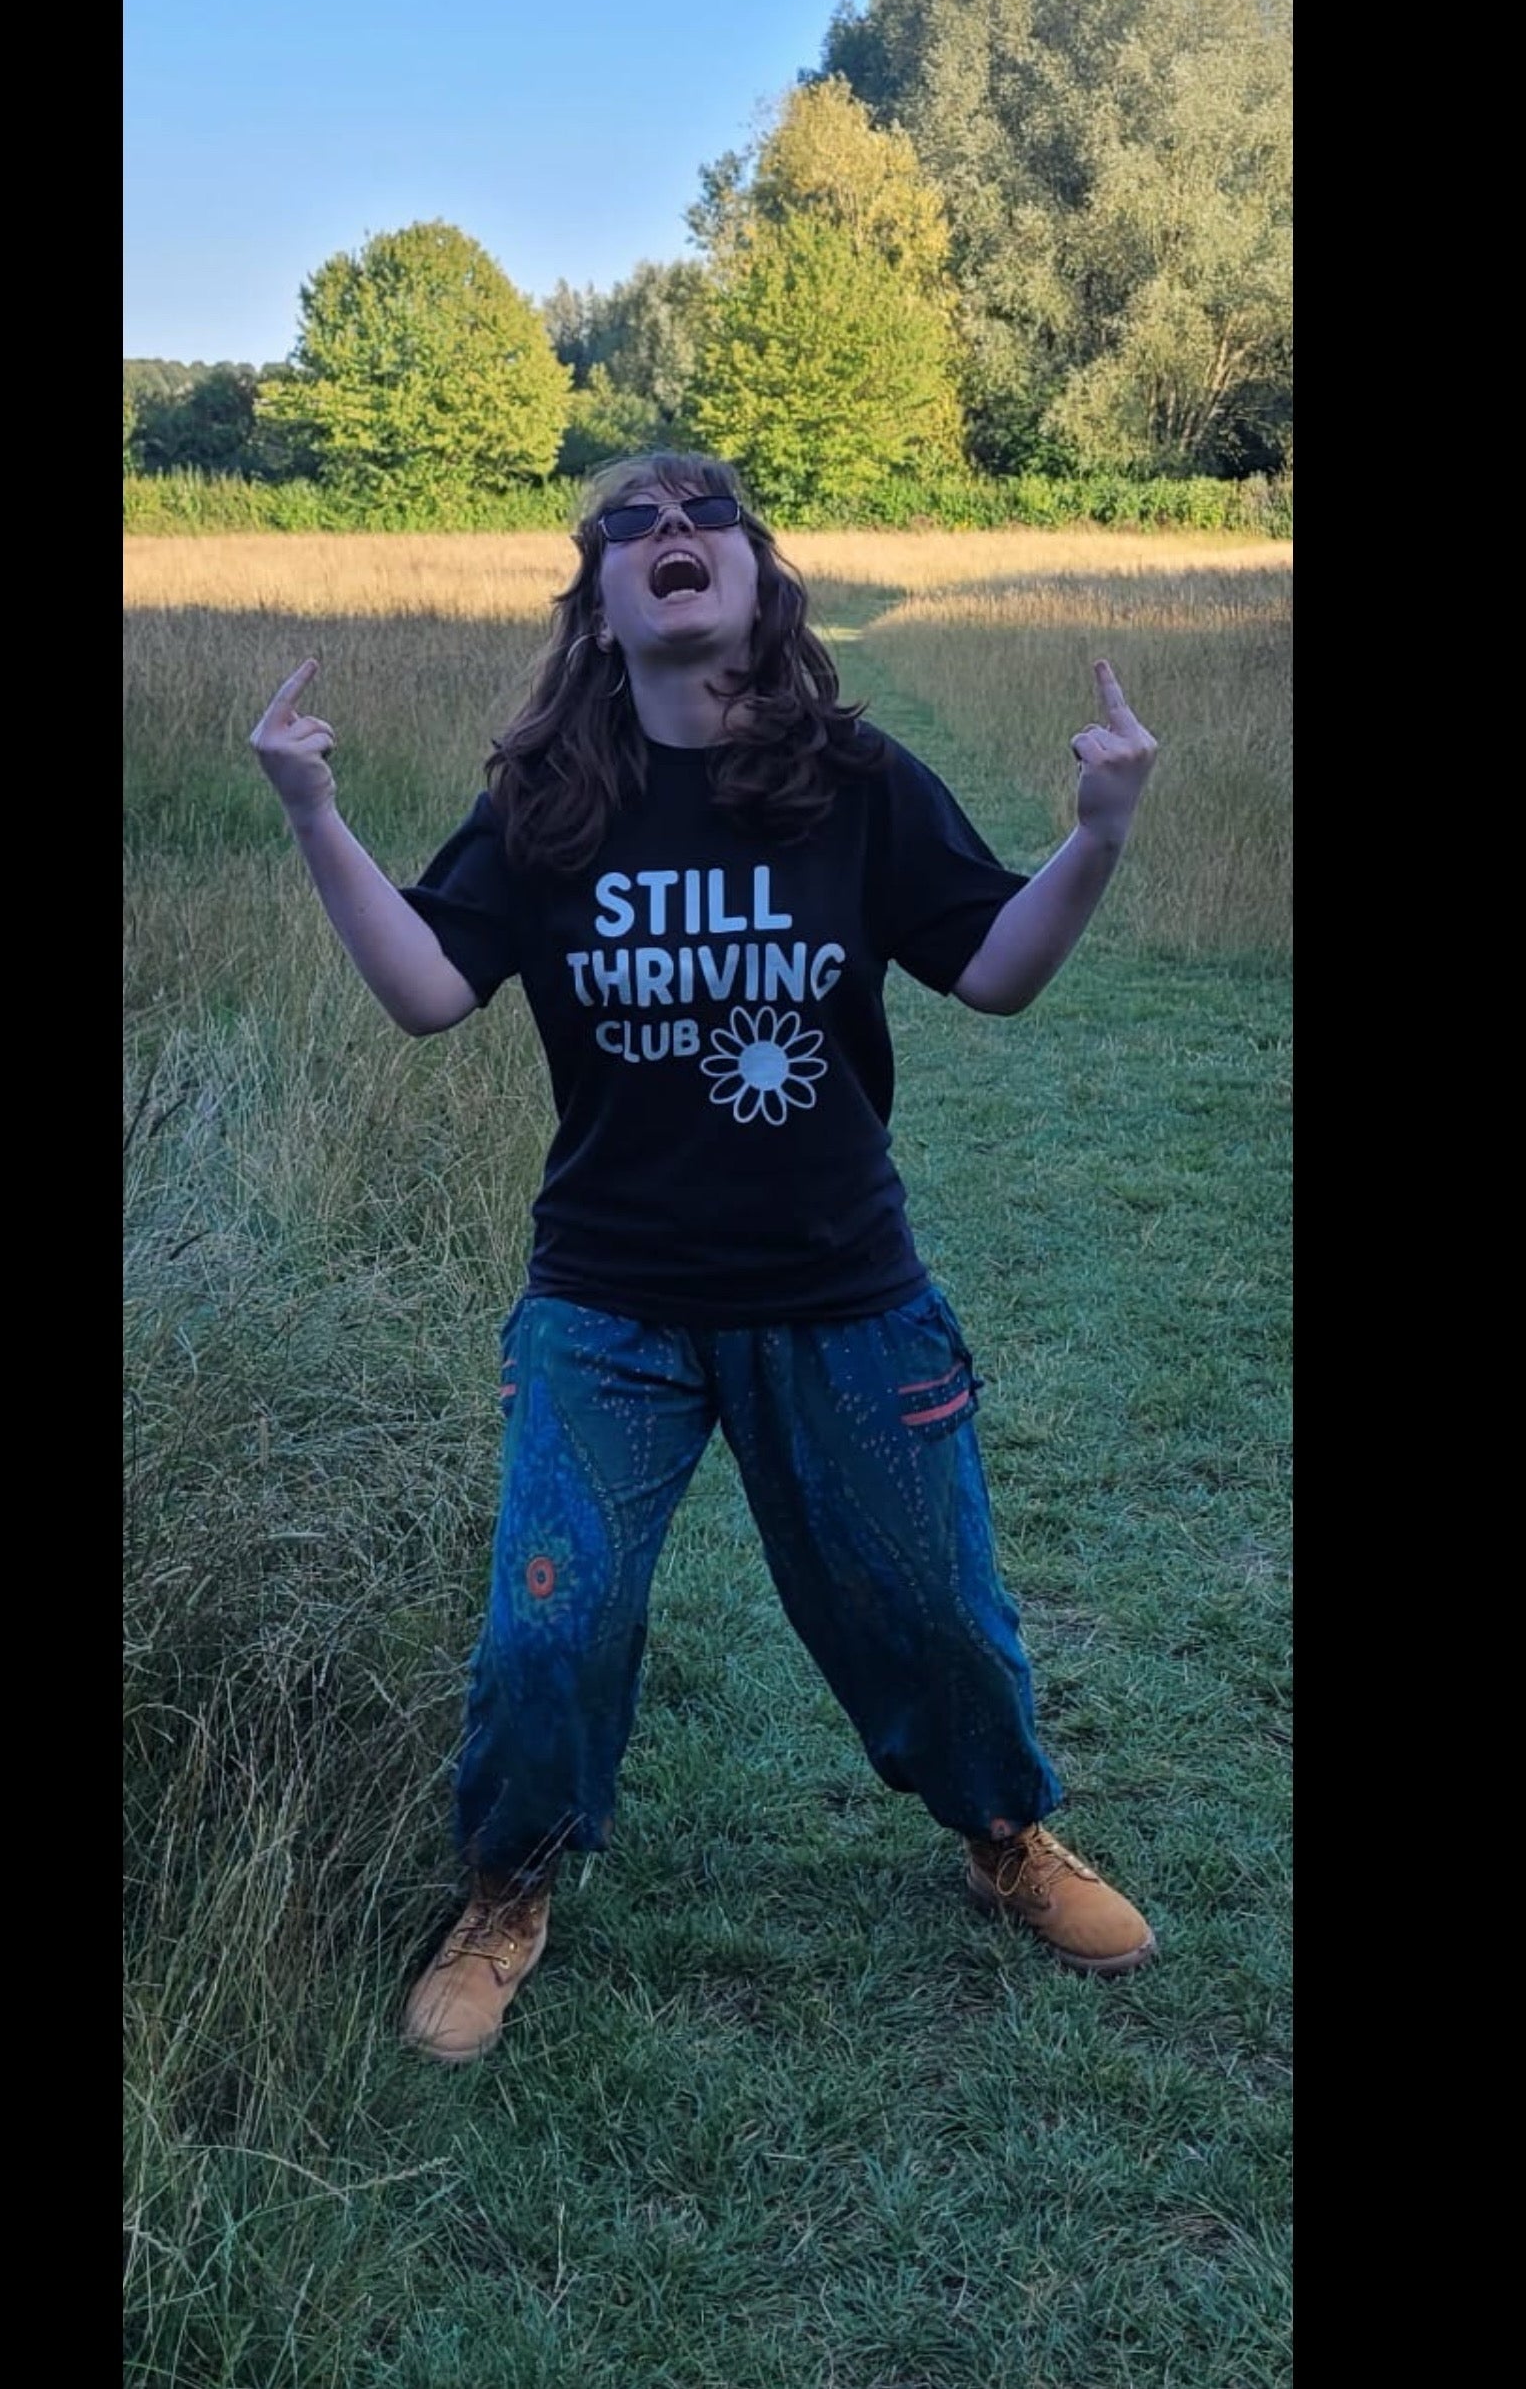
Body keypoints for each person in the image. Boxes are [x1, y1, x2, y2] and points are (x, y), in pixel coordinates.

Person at [248, 451, 1160, 2065]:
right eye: (631, 528)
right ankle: (508, 1888)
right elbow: (428, 991)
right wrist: (317, 818)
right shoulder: (547, 807)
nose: (671, 537)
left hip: (843, 1292)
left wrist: (1094, 835)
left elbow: (995, 972)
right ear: (600, 605)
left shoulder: (857, 782)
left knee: (939, 1612)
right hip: (608, 1301)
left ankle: (1007, 1838)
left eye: (704, 518)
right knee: (550, 1621)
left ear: (757, 576)